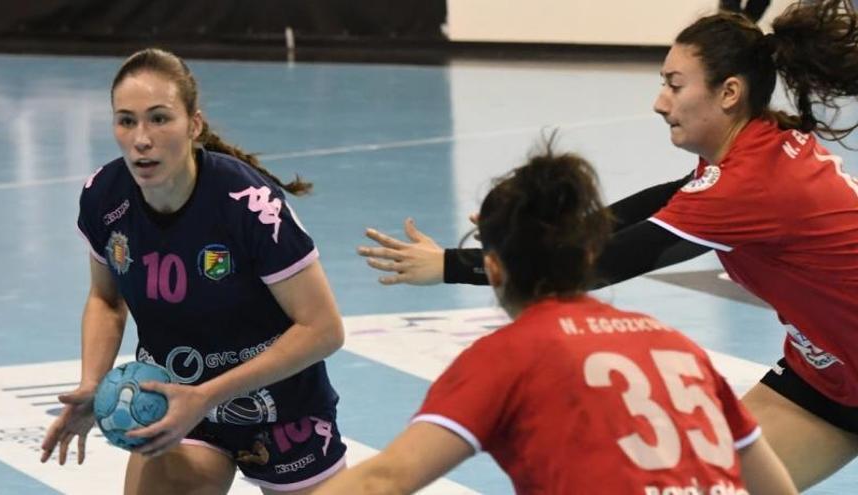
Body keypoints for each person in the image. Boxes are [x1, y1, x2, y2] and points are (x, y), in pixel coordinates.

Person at [356, 0, 858, 490]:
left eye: (674, 85)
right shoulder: (749, 149)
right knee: (702, 483)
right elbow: (647, 208)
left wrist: (458, 263)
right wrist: (537, 231)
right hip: (827, 379)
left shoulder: (748, 185)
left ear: (729, 92)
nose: (660, 101)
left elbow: (599, 265)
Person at [320, 147, 796, 494]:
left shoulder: (511, 355)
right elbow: (775, 488)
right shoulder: (675, 346)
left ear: (493, 270)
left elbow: (383, 480)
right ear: (590, 254)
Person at [39, 48, 347, 495]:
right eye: (126, 121)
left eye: (159, 119)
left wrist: (207, 396)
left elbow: (323, 330)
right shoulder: (105, 197)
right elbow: (107, 300)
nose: (141, 138)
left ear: (194, 124)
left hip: (282, 406)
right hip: (174, 401)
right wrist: (93, 382)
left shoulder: (248, 205)